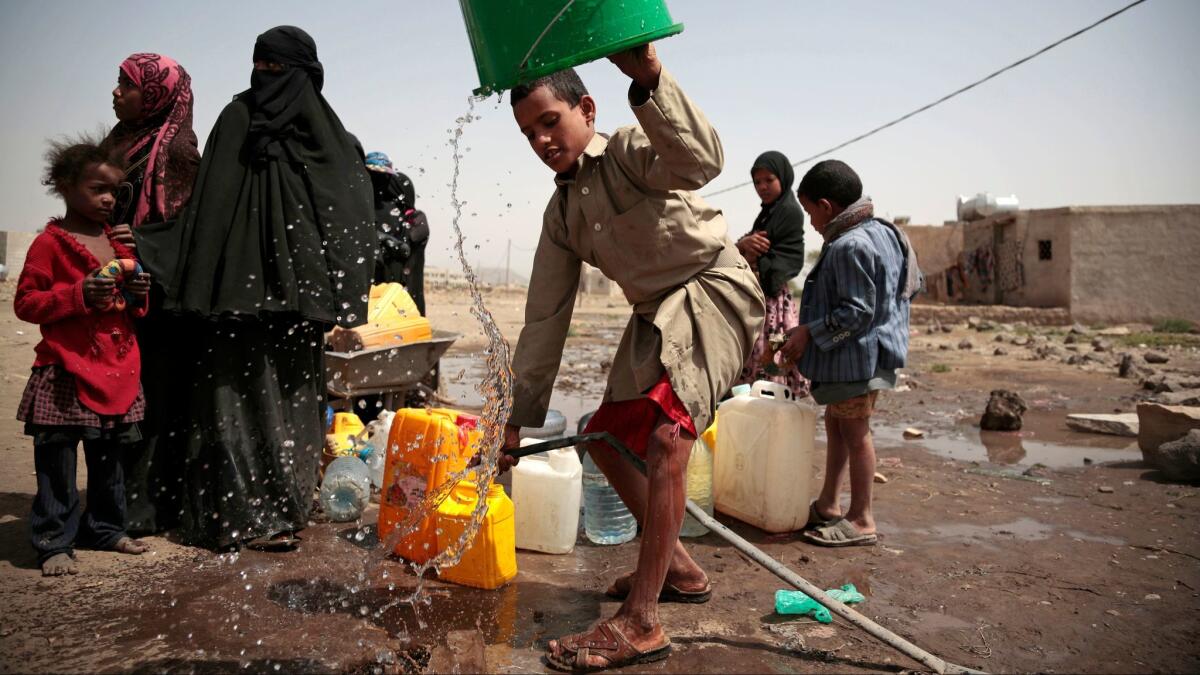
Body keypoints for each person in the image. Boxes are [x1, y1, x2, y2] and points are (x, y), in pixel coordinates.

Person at [498, 44, 764, 671]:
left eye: (549, 122)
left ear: (585, 110)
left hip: (712, 290)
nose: (540, 140)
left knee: (669, 441)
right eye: (527, 132)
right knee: (605, 437)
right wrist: (514, 419)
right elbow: (544, 321)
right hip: (654, 317)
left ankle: (642, 621)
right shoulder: (561, 214)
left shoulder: (625, 150)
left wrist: (648, 78)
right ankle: (679, 570)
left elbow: (699, 162)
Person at [153, 26, 375, 551]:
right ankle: (237, 515)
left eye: (279, 69)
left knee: (293, 404)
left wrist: (339, 296)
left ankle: (286, 509)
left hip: (300, 304)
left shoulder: (329, 139)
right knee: (234, 401)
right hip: (237, 302)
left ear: (307, 75)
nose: (267, 79)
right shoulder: (236, 120)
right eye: (261, 67)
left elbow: (350, 216)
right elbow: (207, 210)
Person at [16, 136, 153, 576]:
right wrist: (78, 294)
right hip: (65, 367)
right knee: (56, 460)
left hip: (117, 367)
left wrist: (137, 295)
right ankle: (54, 539)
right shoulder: (49, 244)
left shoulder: (118, 244)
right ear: (65, 185)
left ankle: (106, 528)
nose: (109, 198)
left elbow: (132, 308)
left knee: (109, 456)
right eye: (98, 189)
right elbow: (27, 303)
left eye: (114, 190)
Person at [779, 159, 921, 547]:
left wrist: (809, 331)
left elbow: (857, 312)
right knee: (838, 423)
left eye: (810, 212)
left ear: (826, 206)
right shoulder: (888, 233)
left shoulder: (849, 245)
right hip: (866, 352)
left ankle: (861, 519)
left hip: (856, 358)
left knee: (856, 432)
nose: (810, 222)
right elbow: (912, 284)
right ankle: (828, 503)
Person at [103, 52, 200, 535]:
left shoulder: (177, 153)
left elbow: (184, 233)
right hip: (107, 289)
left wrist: (136, 246)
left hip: (157, 300)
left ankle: (144, 509)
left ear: (156, 93)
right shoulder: (117, 143)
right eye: (118, 83)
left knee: (152, 403)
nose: (116, 92)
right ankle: (110, 504)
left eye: (127, 85)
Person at [734, 151, 809, 395]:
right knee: (754, 365)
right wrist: (745, 245)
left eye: (769, 180)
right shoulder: (767, 213)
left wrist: (751, 252)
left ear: (783, 178)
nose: (762, 187)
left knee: (768, 363)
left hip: (772, 303)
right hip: (759, 297)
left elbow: (783, 260)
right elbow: (748, 249)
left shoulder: (788, 212)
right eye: (757, 182)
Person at [364, 152, 430, 314]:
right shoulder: (363, 210)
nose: (380, 181)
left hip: (400, 290)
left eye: (385, 177)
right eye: (374, 176)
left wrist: (394, 243)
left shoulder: (412, 217)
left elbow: (411, 243)